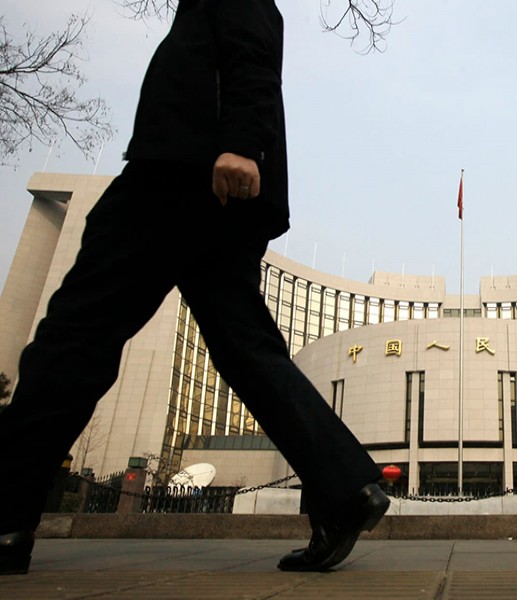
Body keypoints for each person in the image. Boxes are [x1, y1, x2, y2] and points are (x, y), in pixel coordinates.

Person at [0, 0, 388, 575]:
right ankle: (346, 488)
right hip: (205, 184)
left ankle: (6, 512)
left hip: (181, 176)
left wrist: (242, 144)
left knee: (75, 336)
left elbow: (252, 49)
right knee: (246, 349)